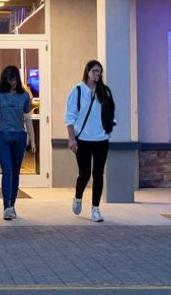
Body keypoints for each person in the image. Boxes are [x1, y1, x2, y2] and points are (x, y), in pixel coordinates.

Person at [66, 60, 115, 223]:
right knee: (85, 173)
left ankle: (95, 208)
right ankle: (78, 197)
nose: (98, 74)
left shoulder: (105, 91)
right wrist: (72, 138)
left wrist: (109, 128)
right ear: (87, 72)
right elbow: (70, 116)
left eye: (99, 72)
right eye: (95, 71)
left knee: (98, 174)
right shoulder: (78, 91)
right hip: (83, 140)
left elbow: (111, 112)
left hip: (101, 139)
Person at [0, 64, 34, 220]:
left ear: (18, 79)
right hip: (3, 137)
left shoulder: (24, 96)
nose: (12, 82)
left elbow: (28, 118)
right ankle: (6, 206)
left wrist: (32, 139)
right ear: (4, 79)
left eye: (14, 79)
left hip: (19, 136)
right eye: (9, 79)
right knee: (7, 171)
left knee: (15, 173)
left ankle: (12, 205)